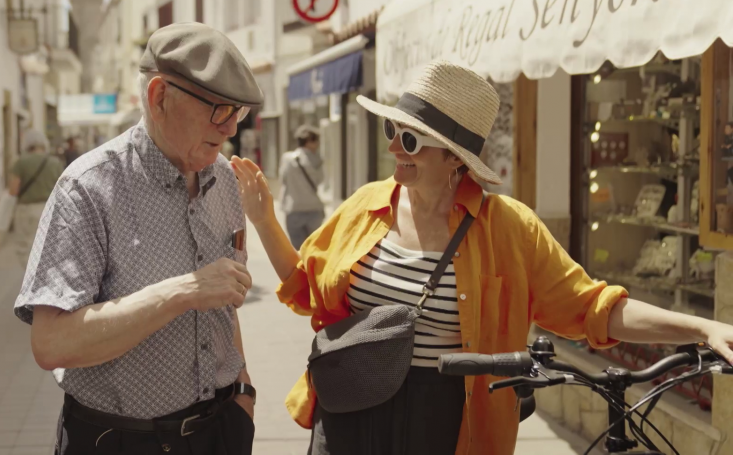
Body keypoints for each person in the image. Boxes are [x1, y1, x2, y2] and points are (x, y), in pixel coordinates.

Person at [230, 61, 733, 455]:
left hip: (450, 419)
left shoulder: (508, 228)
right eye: (392, 132)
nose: (394, 149)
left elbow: (595, 308)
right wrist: (263, 219)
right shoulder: (367, 205)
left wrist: (700, 327)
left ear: (454, 158)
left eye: (409, 139)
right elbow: (304, 282)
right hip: (350, 408)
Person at [14, 23, 263, 455]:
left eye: (238, 114)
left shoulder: (223, 179)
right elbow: (50, 343)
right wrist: (182, 291)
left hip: (219, 429)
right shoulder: (88, 188)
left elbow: (225, 298)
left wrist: (243, 391)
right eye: (219, 111)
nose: (230, 130)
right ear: (159, 97)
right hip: (121, 439)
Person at [7, 129, 63, 267]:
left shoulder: (20, 162)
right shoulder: (55, 162)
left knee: (26, 247)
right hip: (49, 209)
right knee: (48, 246)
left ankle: (31, 281)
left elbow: (13, 190)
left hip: (26, 210)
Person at [278, 125, 325, 248]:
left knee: (298, 251)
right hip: (314, 209)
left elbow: (283, 180)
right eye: (316, 141)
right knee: (315, 248)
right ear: (310, 142)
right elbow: (320, 180)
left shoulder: (286, 158)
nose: (318, 144)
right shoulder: (316, 160)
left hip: (293, 209)